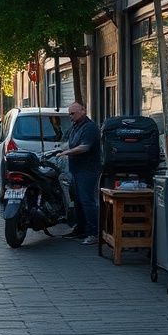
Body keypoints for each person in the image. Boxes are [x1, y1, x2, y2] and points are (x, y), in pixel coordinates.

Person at [58, 102, 101, 246]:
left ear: (82, 111)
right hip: (76, 169)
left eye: (73, 113)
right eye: (69, 114)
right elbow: (67, 142)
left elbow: (84, 147)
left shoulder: (89, 127)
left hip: (87, 169)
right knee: (77, 200)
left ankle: (94, 233)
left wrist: (66, 153)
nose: (70, 116)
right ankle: (81, 228)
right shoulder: (75, 127)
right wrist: (61, 149)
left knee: (87, 200)